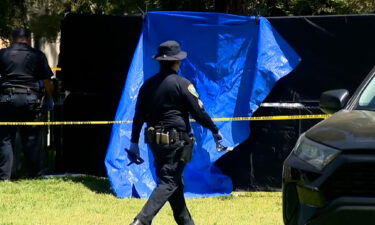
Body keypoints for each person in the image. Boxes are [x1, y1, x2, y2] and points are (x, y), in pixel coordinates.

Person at [128, 40, 223, 225]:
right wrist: (215, 130)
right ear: (177, 62)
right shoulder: (183, 84)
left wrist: (133, 143)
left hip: (155, 143)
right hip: (176, 142)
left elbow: (138, 117)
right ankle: (141, 221)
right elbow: (199, 113)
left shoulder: (147, 86)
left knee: (174, 184)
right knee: (169, 182)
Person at [0, 27, 54, 180]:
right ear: (28, 39)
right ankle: (35, 175)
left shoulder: (3, 54)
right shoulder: (37, 55)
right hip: (30, 100)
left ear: (12, 38)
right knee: (31, 138)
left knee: (5, 139)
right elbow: (47, 81)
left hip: (6, 99)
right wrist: (50, 98)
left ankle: (5, 177)